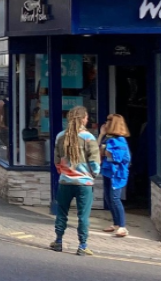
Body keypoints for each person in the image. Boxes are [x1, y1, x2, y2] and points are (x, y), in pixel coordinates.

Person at [50, 106, 101, 257]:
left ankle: (58, 242)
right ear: (83, 119)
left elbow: (57, 160)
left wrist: (64, 172)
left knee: (62, 213)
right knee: (83, 216)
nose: (87, 119)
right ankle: (82, 245)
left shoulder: (60, 136)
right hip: (84, 184)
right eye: (86, 117)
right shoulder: (89, 138)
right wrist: (92, 175)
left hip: (65, 182)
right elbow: (95, 164)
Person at [98, 114, 132, 238]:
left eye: (108, 121)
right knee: (108, 198)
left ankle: (122, 227)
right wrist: (101, 135)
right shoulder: (108, 138)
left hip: (117, 175)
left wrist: (103, 149)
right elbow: (98, 150)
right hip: (108, 172)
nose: (105, 123)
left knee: (115, 199)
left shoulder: (120, 140)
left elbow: (114, 157)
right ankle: (116, 224)